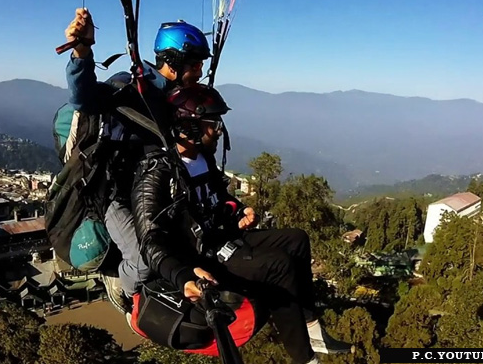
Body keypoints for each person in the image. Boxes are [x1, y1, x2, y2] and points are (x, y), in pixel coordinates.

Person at [131, 84, 353, 364]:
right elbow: (150, 240)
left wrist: (238, 209)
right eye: (213, 123)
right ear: (191, 126)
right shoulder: (157, 173)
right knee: (278, 266)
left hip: (221, 237)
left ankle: (311, 327)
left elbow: (217, 195)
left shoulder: (202, 159)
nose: (219, 130)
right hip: (201, 258)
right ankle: (304, 358)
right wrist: (183, 275)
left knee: (297, 238)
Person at [61, 8, 212, 308]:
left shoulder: (180, 98)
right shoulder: (131, 87)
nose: (200, 72)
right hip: (115, 193)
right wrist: (82, 49)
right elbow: (84, 98)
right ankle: (124, 290)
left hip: (158, 187)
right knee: (145, 258)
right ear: (173, 62)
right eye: (195, 64)